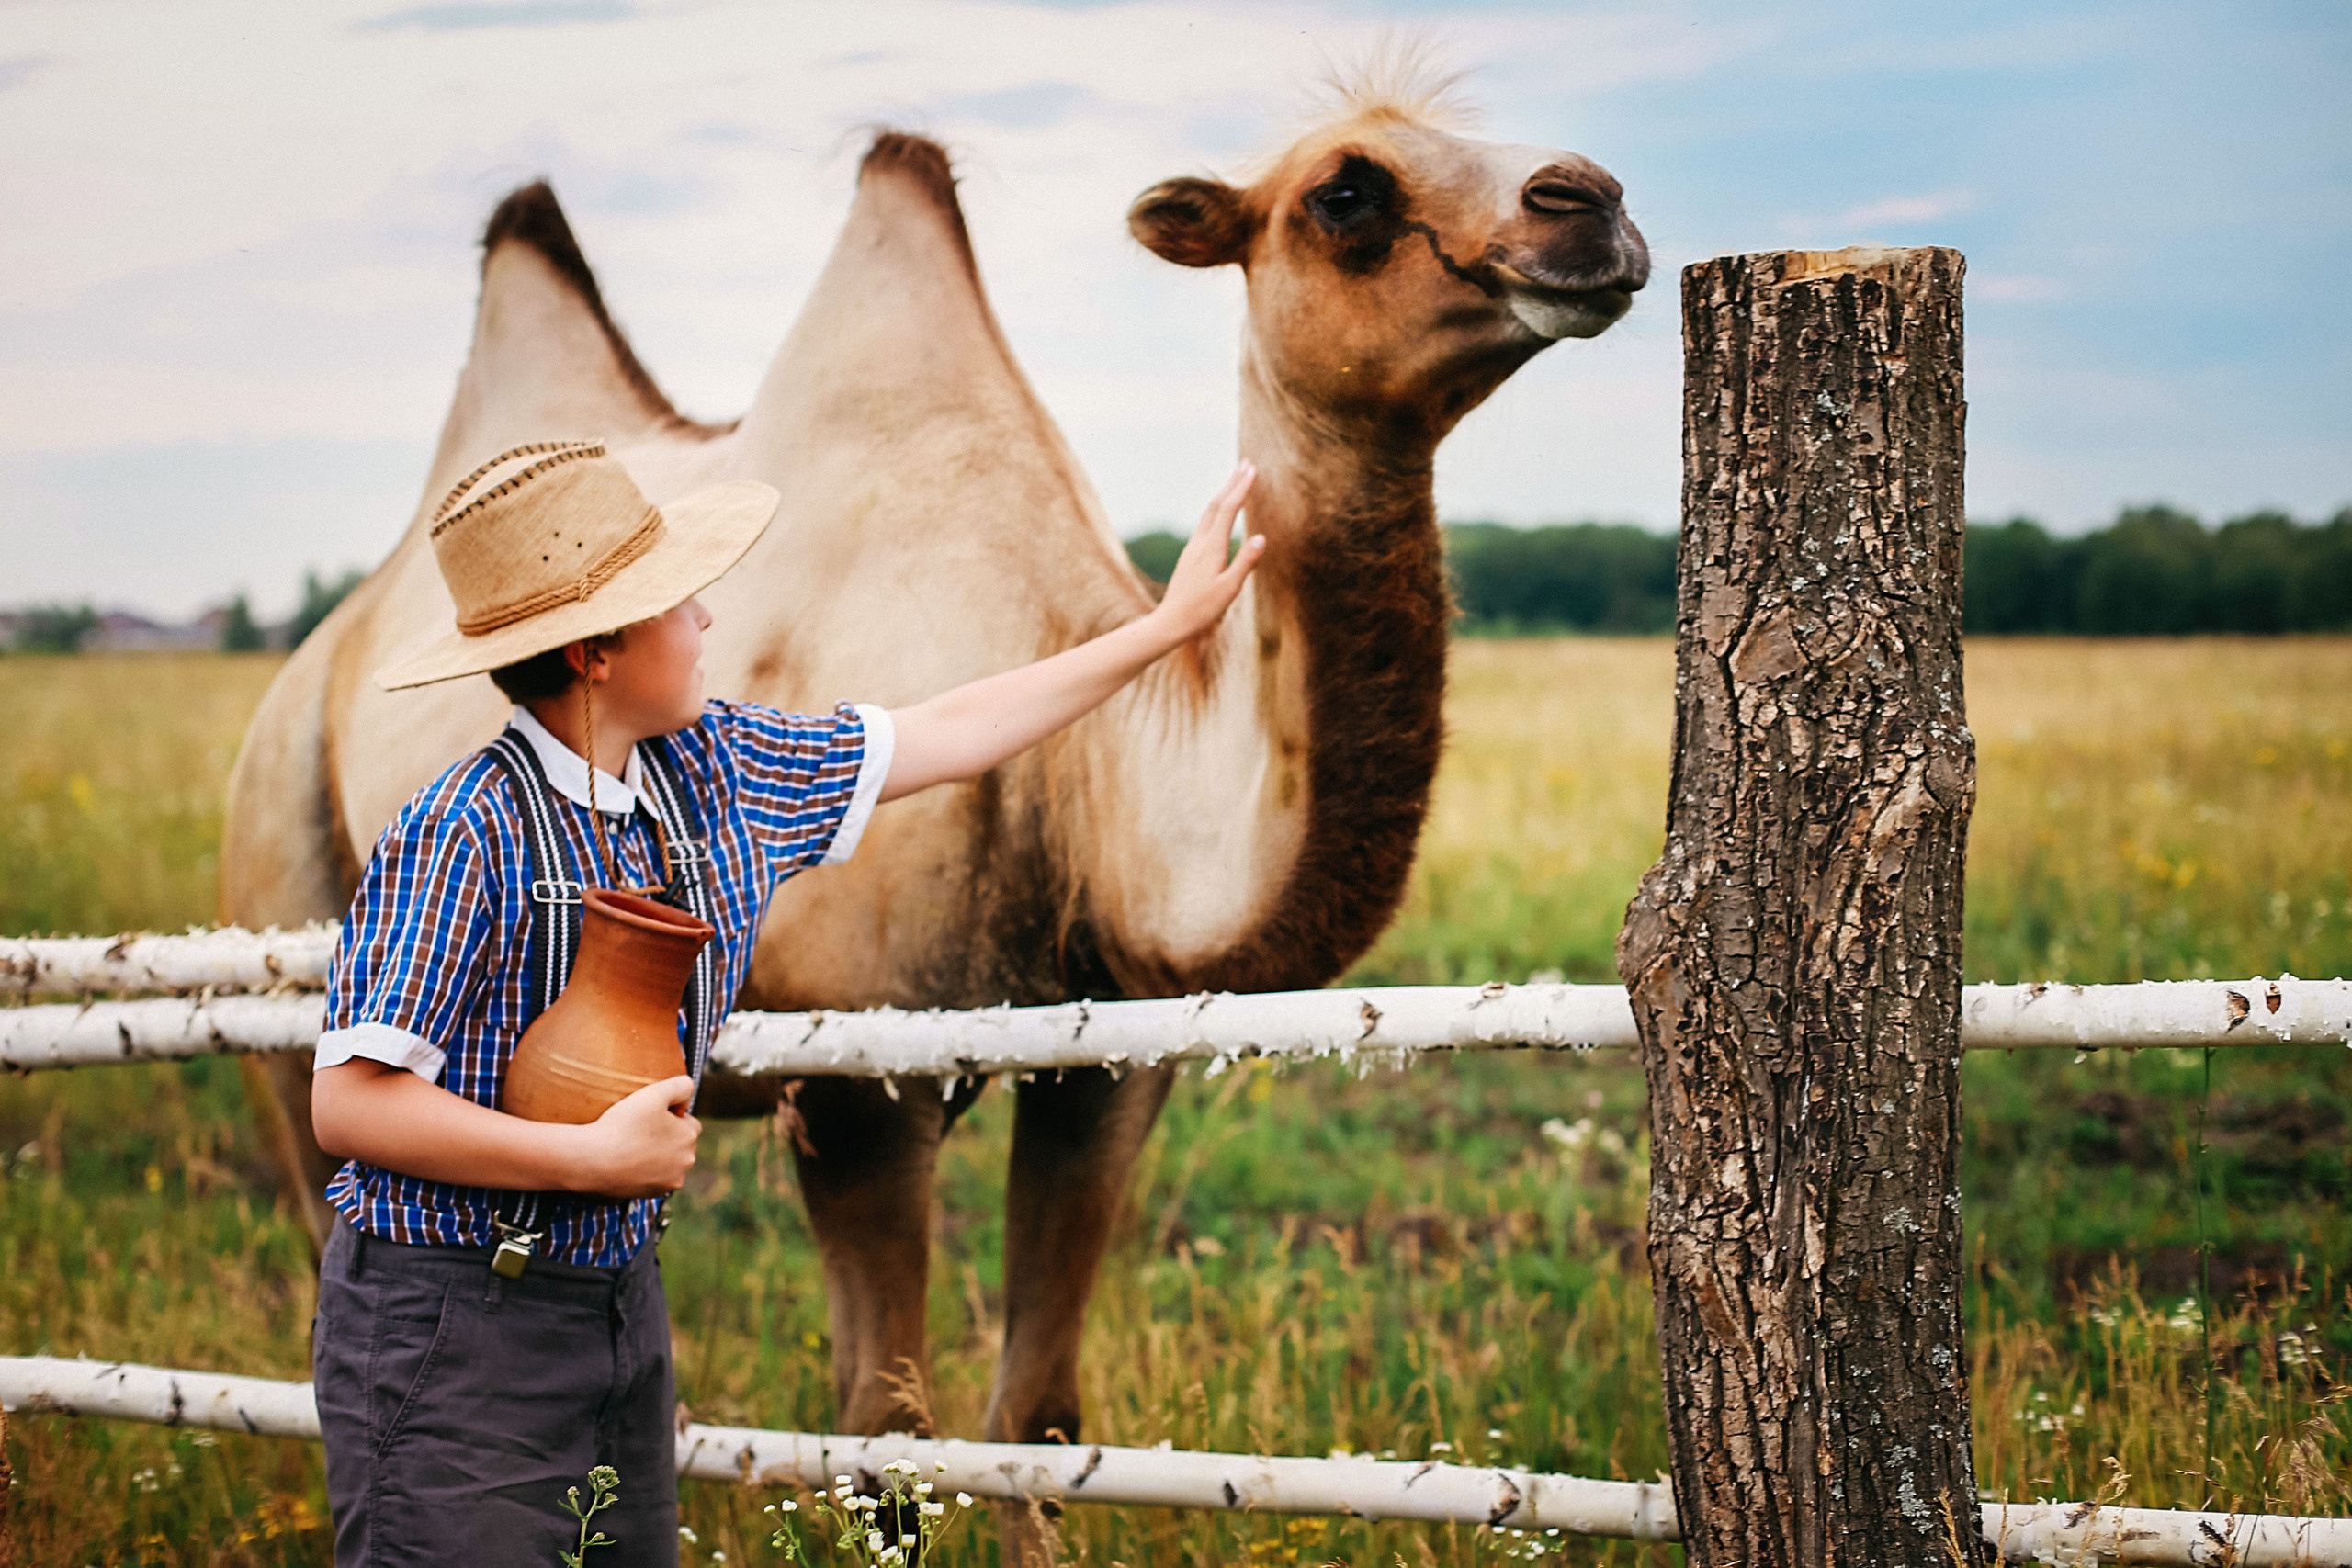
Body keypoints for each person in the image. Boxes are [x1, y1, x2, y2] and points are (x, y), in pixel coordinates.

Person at [307, 438, 1261, 1566]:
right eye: (674, 601)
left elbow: (947, 732)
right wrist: (584, 1164)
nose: (707, 618)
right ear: (593, 650)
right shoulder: (457, 833)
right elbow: (352, 1106)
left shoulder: (715, 772)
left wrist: (1164, 633)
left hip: (613, 1301)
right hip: (449, 1318)